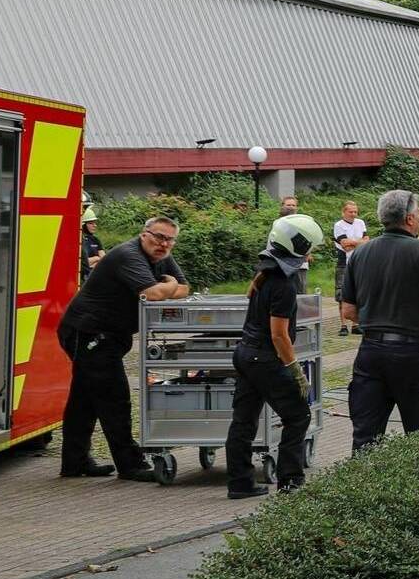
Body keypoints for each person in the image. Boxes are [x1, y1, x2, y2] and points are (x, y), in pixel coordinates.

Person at [56, 215, 191, 480]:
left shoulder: (160, 256)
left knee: (84, 401)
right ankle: (132, 466)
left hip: (107, 336)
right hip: (89, 333)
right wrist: (169, 285)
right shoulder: (128, 255)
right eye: (158, 237)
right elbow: (152, 293)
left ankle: (75, 462)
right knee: (114, 398)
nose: (163, 244)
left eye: (169, 239)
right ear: (144, 235)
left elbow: (185, 288)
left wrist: (169, 287)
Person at [342, 189, 419, 450]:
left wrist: (376, 321)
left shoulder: (360, 253)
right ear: (410, 219)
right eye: (418, 213)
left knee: (366, 439)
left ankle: (359, 486)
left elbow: (348, 311)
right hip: (414, 352)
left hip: (370, 353)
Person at [223, 215, 324, 500]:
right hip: (265, 358)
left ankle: (239, 483)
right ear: (298, 247)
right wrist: (294, 370)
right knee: (298, 415)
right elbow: (279, 334)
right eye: (309, 249)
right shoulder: (284, 284)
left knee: (243, 420)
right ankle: (290, 481)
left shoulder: (264, 274)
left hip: (245, 354)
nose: (310, 254)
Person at [331, 200, 367, 337]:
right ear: (344, 212)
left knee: (358, 292)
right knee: (342, 293)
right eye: (350, 211)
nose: (353, 214)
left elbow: (367, 241)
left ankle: (356, 324)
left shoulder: (361, 223)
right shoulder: (339, 225)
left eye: (355, 212)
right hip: (343, 262)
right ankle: (343, 325)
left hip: (359, 261)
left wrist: (354, 243)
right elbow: (345, 245)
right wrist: (359, 243)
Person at [79, 203, 104, 284]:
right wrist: (96, 258)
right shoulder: (78, 240)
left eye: (95, 222)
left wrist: (91, 261)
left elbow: (104, 260)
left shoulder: (95, 240)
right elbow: (80, 263)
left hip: (96, 275)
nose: (95, 225)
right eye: (90, 223)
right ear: (83, 225)